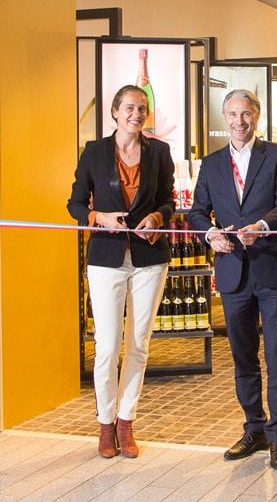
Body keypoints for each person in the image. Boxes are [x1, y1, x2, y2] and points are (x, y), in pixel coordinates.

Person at [188, 89, 277, 471]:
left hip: (273, 268)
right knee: (242, 356)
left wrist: (264, 226)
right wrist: (210, 234)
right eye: (233, 114)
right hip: (232, 270)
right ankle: (254, 428)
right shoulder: (212, 163)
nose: (239, 121)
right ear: (225, 117)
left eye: (246, 113)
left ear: (257, 116)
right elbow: (197, 212)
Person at [68, 85, 175, 459]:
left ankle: (127, 423)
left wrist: (158, 216)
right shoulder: (94, 153)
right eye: (129, 107)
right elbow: (75, 204)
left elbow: (168, 198)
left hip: (149, 258)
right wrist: (100, 218)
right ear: (114, 111)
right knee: (108, 346)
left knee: (139, 345)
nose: (136, 114)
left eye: (142, 108)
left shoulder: (159, 152)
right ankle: (105, 423)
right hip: (105, 258)